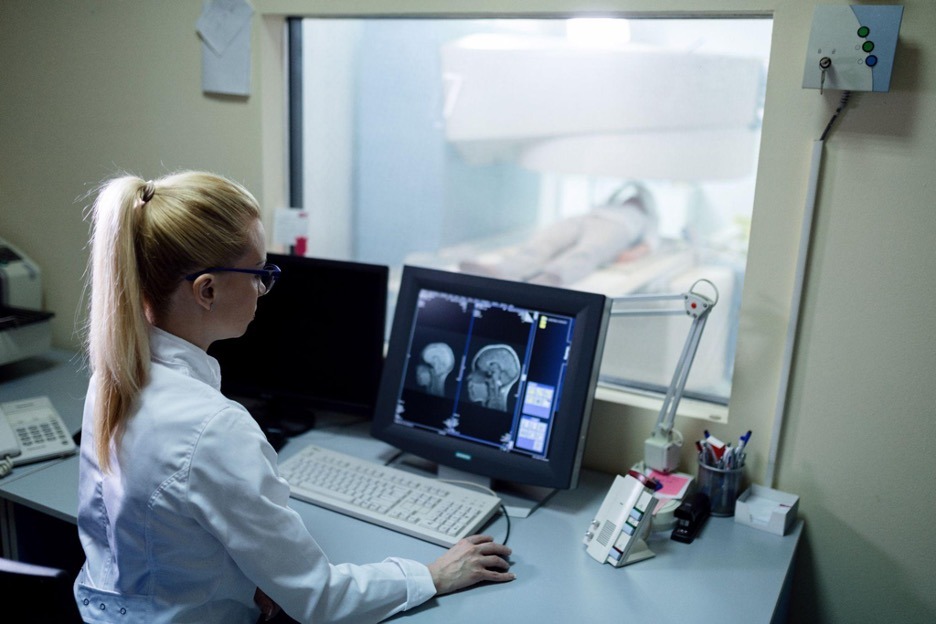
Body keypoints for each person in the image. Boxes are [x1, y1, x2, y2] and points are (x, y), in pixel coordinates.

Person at [73, 170, 514, 623]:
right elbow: (319, 599)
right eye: (260, 273)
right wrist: (434, 575)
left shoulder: (113, 377)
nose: (265, 288)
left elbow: (157, 535)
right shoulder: (213, 429)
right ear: (207, 290)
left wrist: (251, 574)